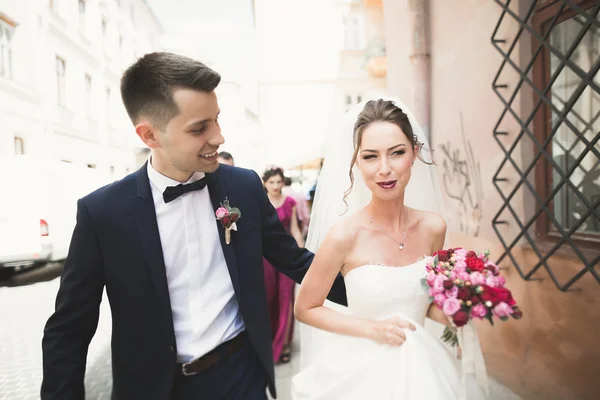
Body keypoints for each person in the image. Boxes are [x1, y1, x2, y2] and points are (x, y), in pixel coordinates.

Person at [40, 52, 347, 400]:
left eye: (216, 120)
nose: (218, 137)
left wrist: (385, 289)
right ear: (149, 135)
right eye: (200, 128)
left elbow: (294, 261)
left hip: (242, 376)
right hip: (154, 389)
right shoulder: (103, 213)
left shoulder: (244, 187)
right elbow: (69, 330)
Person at [291, 98, 488, 399]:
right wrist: (372, 329)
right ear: (357, 161)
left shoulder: (434, 227)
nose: (385, 169)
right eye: (370, 156)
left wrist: (453, 312)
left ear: (414, 154)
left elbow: (422, 299)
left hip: (422, 368)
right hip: (361, 374)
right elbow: (305, 308)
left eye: (396, 153)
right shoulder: (344, 236)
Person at [261, 167, 303, 364]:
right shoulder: (260, 203)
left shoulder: (290, 203)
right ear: (265, 183)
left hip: (287, 256)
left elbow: (295, 229)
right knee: (269, 298)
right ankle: (269, 341)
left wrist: (302, 255)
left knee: (287, 300)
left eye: (279, 182)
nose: (276, 186)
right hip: (266, 259)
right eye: (272, 182)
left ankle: (284, 344)